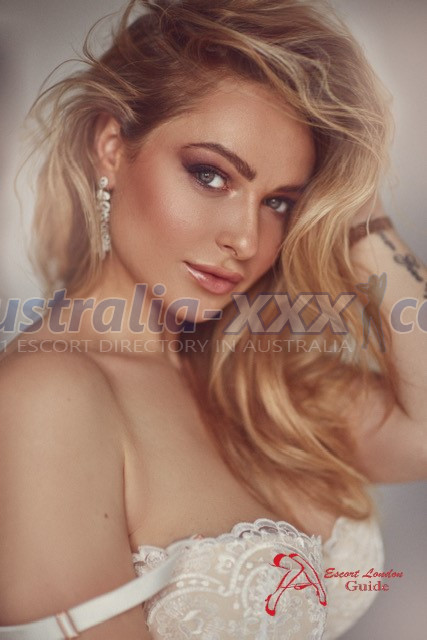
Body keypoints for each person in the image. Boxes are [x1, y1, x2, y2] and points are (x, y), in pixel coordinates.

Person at [0, 0, 426, 638]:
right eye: (211, 175)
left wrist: (358, 210)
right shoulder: (48, 398)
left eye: (279, 201)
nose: (246, 239)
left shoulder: (253, 377)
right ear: (111, 148)